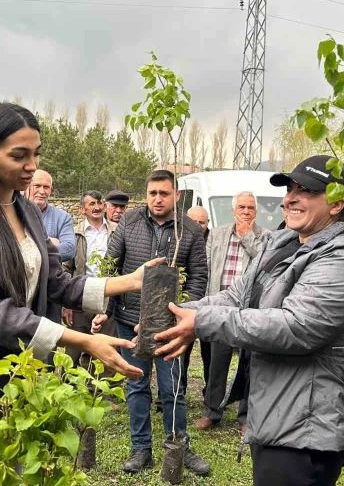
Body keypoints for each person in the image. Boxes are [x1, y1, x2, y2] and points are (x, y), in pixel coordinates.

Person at [0, 102, 157, 457]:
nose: (31, 167)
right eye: (19, 155)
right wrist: (85, 342)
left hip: (22, 377)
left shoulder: (25, 210)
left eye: (36, 154)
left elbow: (57, 283)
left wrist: (129, 281)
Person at [154, 155, 344, 486]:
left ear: (336, 204)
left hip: (307, 429)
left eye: (306, 191)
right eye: (289, 188)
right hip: (276, 415)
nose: (290, 198)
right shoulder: (284, 243)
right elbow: (235, 296)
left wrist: (202, 323)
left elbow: (296, 327)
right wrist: (175, 313)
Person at [92, 169, 210, 476]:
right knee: (136, 385)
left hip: (171, 326)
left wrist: (180, 312)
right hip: (130, 320)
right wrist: (106, 307)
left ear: (177, 196)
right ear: (146, 194)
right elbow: (111, 265)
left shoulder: (190, 231)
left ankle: (178, 445)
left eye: (164, 193)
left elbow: (199, 277)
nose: (158, 199)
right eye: (152, 193)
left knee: (174, 389)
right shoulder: (129, 223)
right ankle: (141, 448)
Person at [195, 191, 268, 431]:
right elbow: (206, 269)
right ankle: (212, 411)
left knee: (249, 364)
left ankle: (245, 416)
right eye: (242, 207)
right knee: (216, 363)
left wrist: (248, 238)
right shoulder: (216, 234)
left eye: (250, 208)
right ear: (233, 210)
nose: (246, 212)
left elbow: (265, 264)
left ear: (255, 212)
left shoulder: (266, 237)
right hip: (221, 307)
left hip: (250, 311)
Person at [62, 190, 118, 366]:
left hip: (107, 299)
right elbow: (66, 268)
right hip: (81, 298)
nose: (97, 207)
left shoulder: (116, 232)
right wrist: (67, 303)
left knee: (106, 350)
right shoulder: (74, 233)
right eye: (92, 204)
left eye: (100, 203)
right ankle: (68, 390)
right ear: (82, 209)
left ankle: (102, 391)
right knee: (73, 351)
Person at [28, 169, 76, 262]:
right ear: (28, 187)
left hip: (51, 276)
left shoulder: (62, 217)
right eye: (37, 186)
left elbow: (69, 250)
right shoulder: (15, 213)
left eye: (46, 187)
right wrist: (49, 242)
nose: (42, 191)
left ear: (51, 190)